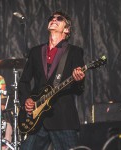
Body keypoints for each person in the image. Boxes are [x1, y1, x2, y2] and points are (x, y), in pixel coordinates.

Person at [18, 11, 85, 150]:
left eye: (59, 19)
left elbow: (79, 90)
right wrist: (26, 100)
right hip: (37, 119)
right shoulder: (36, 51)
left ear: (66, 29)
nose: (54, 19)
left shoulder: (74, 52)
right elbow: (24, 81)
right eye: (51, 18)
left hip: (63, 118)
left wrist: (78, 80)